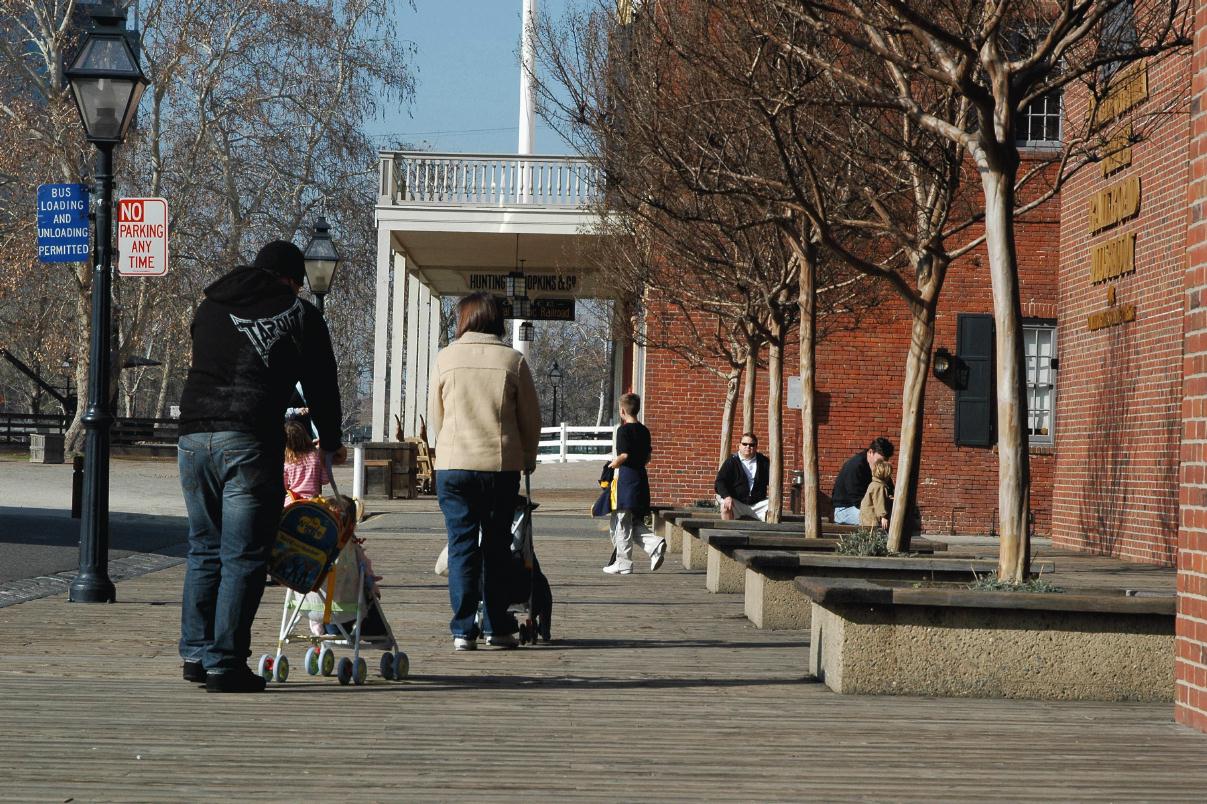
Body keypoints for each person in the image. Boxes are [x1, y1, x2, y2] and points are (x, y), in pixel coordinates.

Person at [177, 239, 345, 693]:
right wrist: (331, 441)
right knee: (244, 555)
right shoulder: (300, 315)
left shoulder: (211, 304)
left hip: (192, 437)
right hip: (248, 439)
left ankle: (195, 653)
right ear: (292, 279)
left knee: (204, 548)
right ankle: (226, 663)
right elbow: (322, 385)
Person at [429, 292, 541, 651]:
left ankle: (463, 629)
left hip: (454, 464)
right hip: (498, 464)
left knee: (461, 546)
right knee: (496, 547)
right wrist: (528, 456)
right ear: (496, 320)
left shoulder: (445, 359)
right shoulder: (512, 360)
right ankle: (496, 625)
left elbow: (437, 415)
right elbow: (531, 419)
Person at [603, 393, 668, 575]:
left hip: (627, 480)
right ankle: (654, 545)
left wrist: (611, 465)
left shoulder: (623, 431)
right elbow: (648, 457)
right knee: (630, 521)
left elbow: (623, 455)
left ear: (622, 410)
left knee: (622, 522)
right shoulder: (644, 430)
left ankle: (624, 563)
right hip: (641, 478)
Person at [831, 437, 893, 526]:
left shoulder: (878, 468)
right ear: (870, 452)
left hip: (865, 506)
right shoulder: (855, 466)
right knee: (877, 519)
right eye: (879, 461)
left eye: (884, 462)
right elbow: (857, 500)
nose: (881, 465)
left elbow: (889, 488)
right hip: (845, 509)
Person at [714, 432, 771, 521]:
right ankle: (727, 533)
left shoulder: (764, 462)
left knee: (773, 505)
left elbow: (772, 481)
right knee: (725, 506)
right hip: (737, 503)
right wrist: (726, 496)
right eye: (744, 444)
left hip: (758, 504)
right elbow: (720, 481)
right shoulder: (731, 461)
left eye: (751, 445)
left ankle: (769, 533)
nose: (748, 447)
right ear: (739, 445)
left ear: (756, 447)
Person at [283, 420, 329, 500]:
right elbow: (325, 480)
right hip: (313, 502)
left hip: (293, 503)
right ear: (305, 435)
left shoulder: (287, 461)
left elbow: (284, 486)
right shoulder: (317, 456)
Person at [859, 459, 894, 530]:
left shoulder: (873, 484)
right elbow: (879, 502)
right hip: (872, 520)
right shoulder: (879, 486)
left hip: (866, 517)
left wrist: (888, 498)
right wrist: (883, 517)